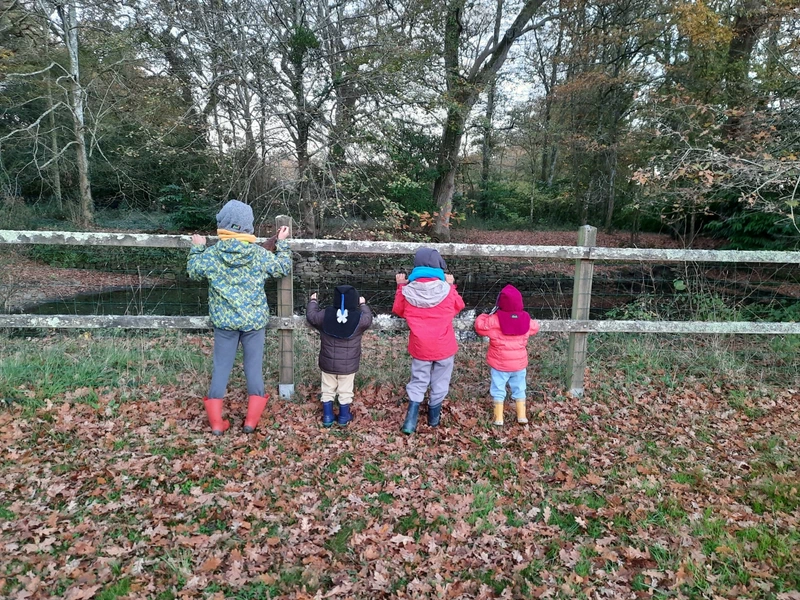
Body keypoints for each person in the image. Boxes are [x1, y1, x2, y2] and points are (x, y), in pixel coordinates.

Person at [187, 199, 292, 435]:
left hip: (224, 324)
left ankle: (217, 424)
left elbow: (194, 271)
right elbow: (282, 268)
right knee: (253, 369)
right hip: (254, 322)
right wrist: (282, 244)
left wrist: (197, 248)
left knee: (221, 368)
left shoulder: (212, 255)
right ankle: (250, 422)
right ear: (248, 227)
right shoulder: (258, 254)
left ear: (223, 225)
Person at [392, 247, 465, 434]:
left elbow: (399, 310)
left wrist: (400, 286)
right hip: (444, 346)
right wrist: (451, 285)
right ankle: (433, 419)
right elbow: (459, 305)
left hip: (420, 347)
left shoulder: (408, 291)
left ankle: (410, 421)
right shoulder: (446, 290)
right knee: (441, 380)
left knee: (418, 380)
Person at [306, 286, 373, 427]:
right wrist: (363, 305)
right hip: (348, 366)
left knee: (327, 389)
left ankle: (327, 416)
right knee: (345, 390)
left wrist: (313, 302)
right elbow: (368, 318)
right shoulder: (359, 319)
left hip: (328, 362)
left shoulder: (325, 315)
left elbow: (311, 316)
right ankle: (343, 417)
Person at [474, 284, 540, 426]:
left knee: (498, 388)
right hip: (519, 364)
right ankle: (522, 416)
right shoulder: (525, 320)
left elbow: (479, 325)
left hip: (500, 364)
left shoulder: (494, 320)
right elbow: (535, 327)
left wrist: (486, 314)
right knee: (520, 388)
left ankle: (498, 418)